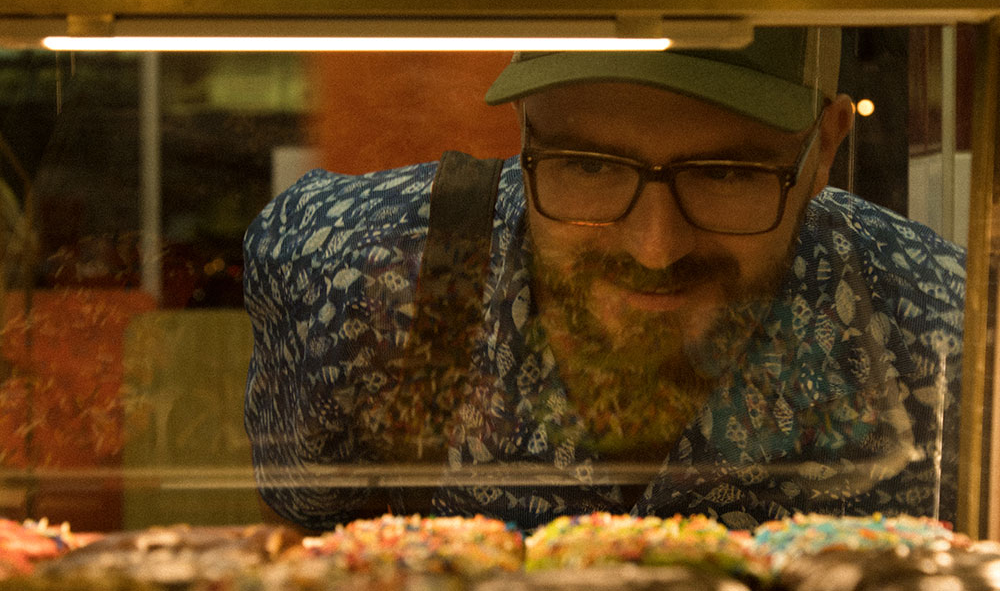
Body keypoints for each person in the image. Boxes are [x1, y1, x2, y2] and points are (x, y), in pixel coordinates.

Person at [243, 27, 966, 533]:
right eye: (588, 165)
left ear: (823, 150)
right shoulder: (361, 278)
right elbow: (299, 535)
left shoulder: (936, 328)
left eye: (725, 173)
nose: (655, 248)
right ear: (524, 130)